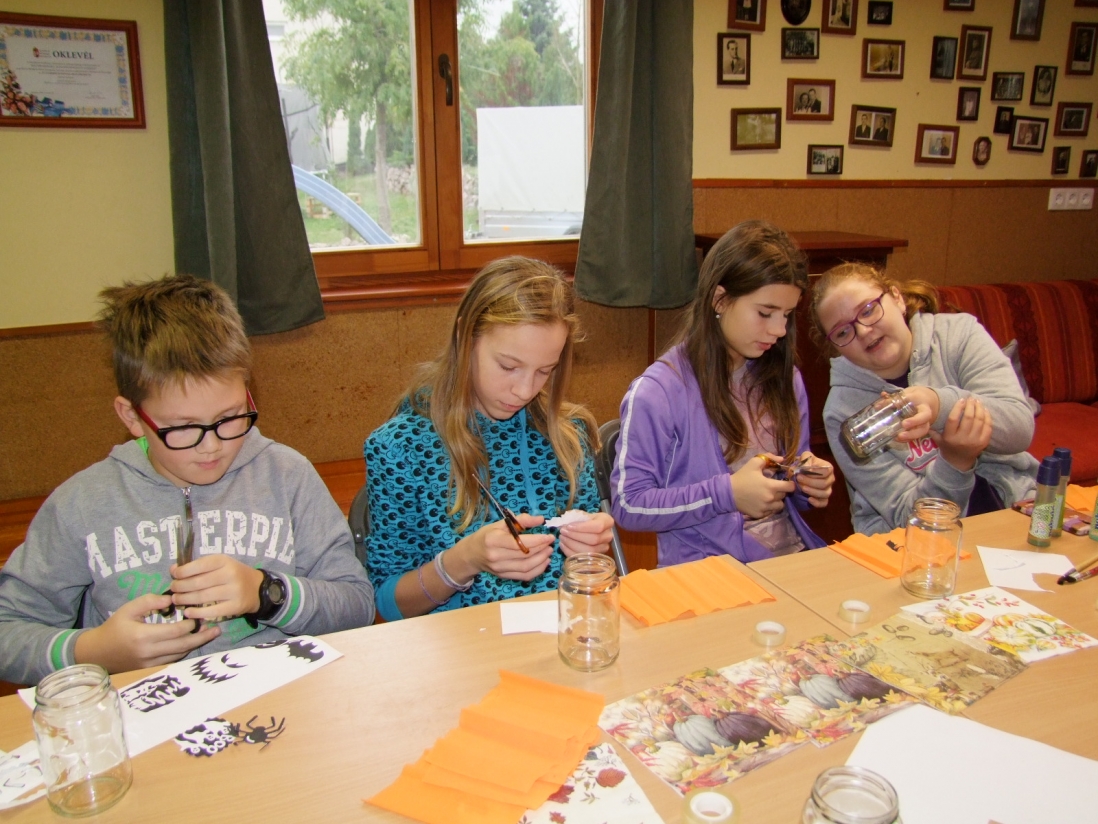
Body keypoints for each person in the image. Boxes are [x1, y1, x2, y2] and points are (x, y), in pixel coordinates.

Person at [0, 275, 375, 686]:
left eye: (230, 417)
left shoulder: (288, 477)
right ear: (132, 417)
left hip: (275, 697)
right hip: (142, 709)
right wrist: (91, 651)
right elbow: (8, 630)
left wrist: (268, 593)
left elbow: (356, 603)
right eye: (182, 428)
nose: (211, 446)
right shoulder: (81, 503)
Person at [363, 257, 614, 621]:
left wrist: (591, 548)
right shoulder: (402, 448)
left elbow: (588, 573)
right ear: (466, 338)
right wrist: (463, 561)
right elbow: (388, 603)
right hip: (462, 645)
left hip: (561, 632)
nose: (524, 390)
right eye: (508, 366)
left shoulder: (568, 435)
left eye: (545, 370)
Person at [611, 221, 834, 566]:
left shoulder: (785, 378)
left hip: (789, 560)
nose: (779, 330)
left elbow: (790, 481)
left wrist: (807, 483)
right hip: (708, 571)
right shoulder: (659, 392)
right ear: (720, 299)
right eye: (765, 313)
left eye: (787, 315)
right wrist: (726, 494)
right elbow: (629, 505)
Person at [809, 263, 1038, 535]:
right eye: (843, 332)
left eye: (868, 310)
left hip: (1013, 511)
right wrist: (955, 462)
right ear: (835, 348)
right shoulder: (843, 412)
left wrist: (939, 406)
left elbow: (1020, 429)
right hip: (918, 542)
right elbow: (909, 518)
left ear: (897, 298)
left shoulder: (958, 335)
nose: (863, 331)